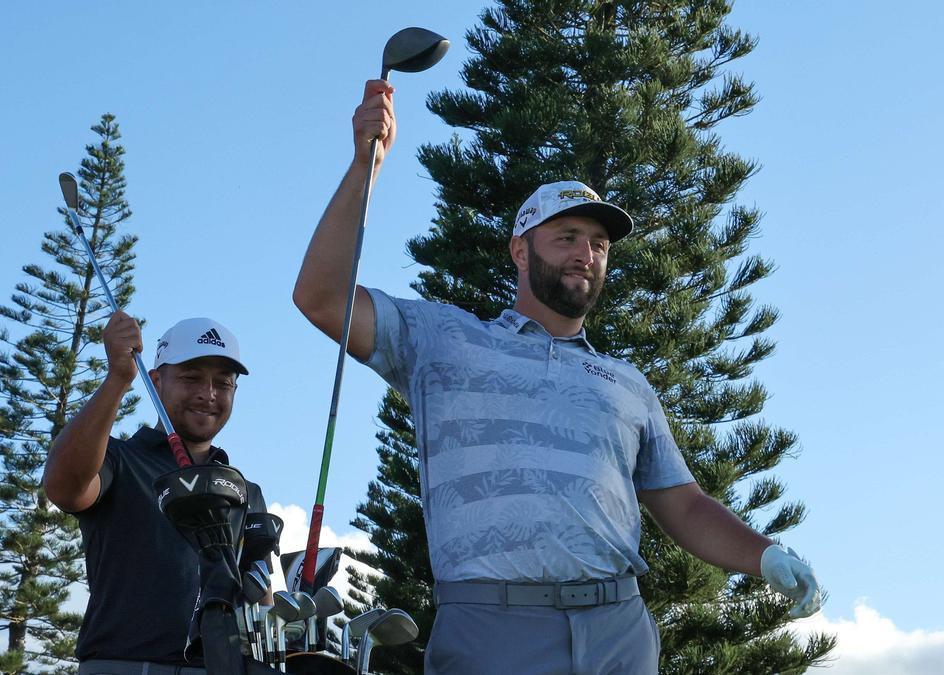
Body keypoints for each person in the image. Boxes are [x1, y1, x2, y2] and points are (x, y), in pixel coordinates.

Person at [293, 80, 821, 674]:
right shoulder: (440, 339)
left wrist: (765, 554)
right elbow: (320, 296)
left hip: (619, 630)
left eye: (598, 243)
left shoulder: (628, 384)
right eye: (566, 236)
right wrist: (367, 163)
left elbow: (685, 505)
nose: (585, 253)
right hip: (493, 630)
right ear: (520, 250)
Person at [43, 313, 265, 674]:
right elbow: (64, 487)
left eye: (222, 383)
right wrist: (117, 379)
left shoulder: (245, 491)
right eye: (191, 378)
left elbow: (261, 596)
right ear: (156, 380)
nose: (208, 394)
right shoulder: (118, 459)